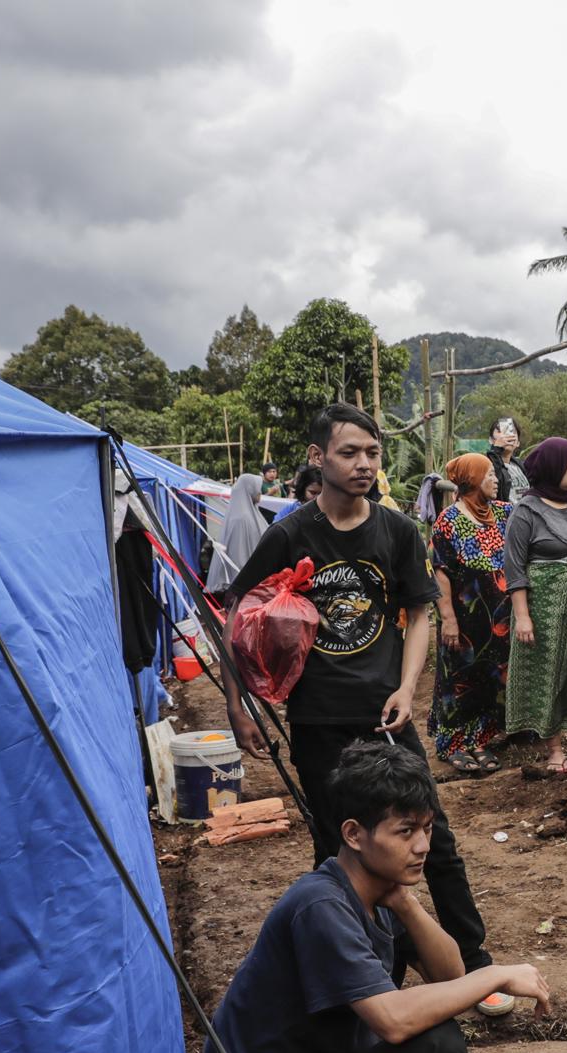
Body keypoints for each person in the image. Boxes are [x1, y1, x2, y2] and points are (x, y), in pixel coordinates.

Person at [201, 743, 553, 1053]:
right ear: (354, 834)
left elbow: (450, 978)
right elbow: (394, 1021)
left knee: (437, 1037)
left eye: (427, 828)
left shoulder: (374, 892)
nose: (422, 846)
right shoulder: (320, 906)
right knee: (439, 1048)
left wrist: (407, 905)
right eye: (405, 831)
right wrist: (493, 975)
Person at [224, 404, 506, 1015]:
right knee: (339, 849)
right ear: (318, 458)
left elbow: (421, 614)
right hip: (318, 717)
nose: (363, 465)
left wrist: (408, 688)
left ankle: (476, 968)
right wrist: (237, 701)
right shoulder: (290, 533)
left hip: (387, 717)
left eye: (372, 454)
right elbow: (237, 611)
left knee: (437, 841)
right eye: (349, 453)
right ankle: (369, 979)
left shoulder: (398, 532)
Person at [504, 437, 567, 774]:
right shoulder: (526, 511)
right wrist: (523, 617)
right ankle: (555, 750)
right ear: (552, 468)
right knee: (551, 672)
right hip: (545, 608)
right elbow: (515, 569)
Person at [428, 453, 510, 775]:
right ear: (472, 479)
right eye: (489, 474)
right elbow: (440, 571)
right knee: (457, 679)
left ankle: (480, 740)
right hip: (463, 619)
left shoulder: (504, 514)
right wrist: (447, 618)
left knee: (489, 676)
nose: (495, 480)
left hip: (498, 621)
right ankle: (453, 745)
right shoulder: (448, 520)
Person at [206, 472, 270, 601]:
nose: (260, 492)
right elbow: (239, 555)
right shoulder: (242, 519)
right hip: (246, 586)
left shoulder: (250, 513)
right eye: (257, 488)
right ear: (249, 489)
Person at [487, 417, 529, 503]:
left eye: (511, 432)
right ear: (491, 440)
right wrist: (497, 449)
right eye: (500, 431)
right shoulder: (486, 464)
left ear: (517, 443)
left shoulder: (522, 466)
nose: (506, 436)